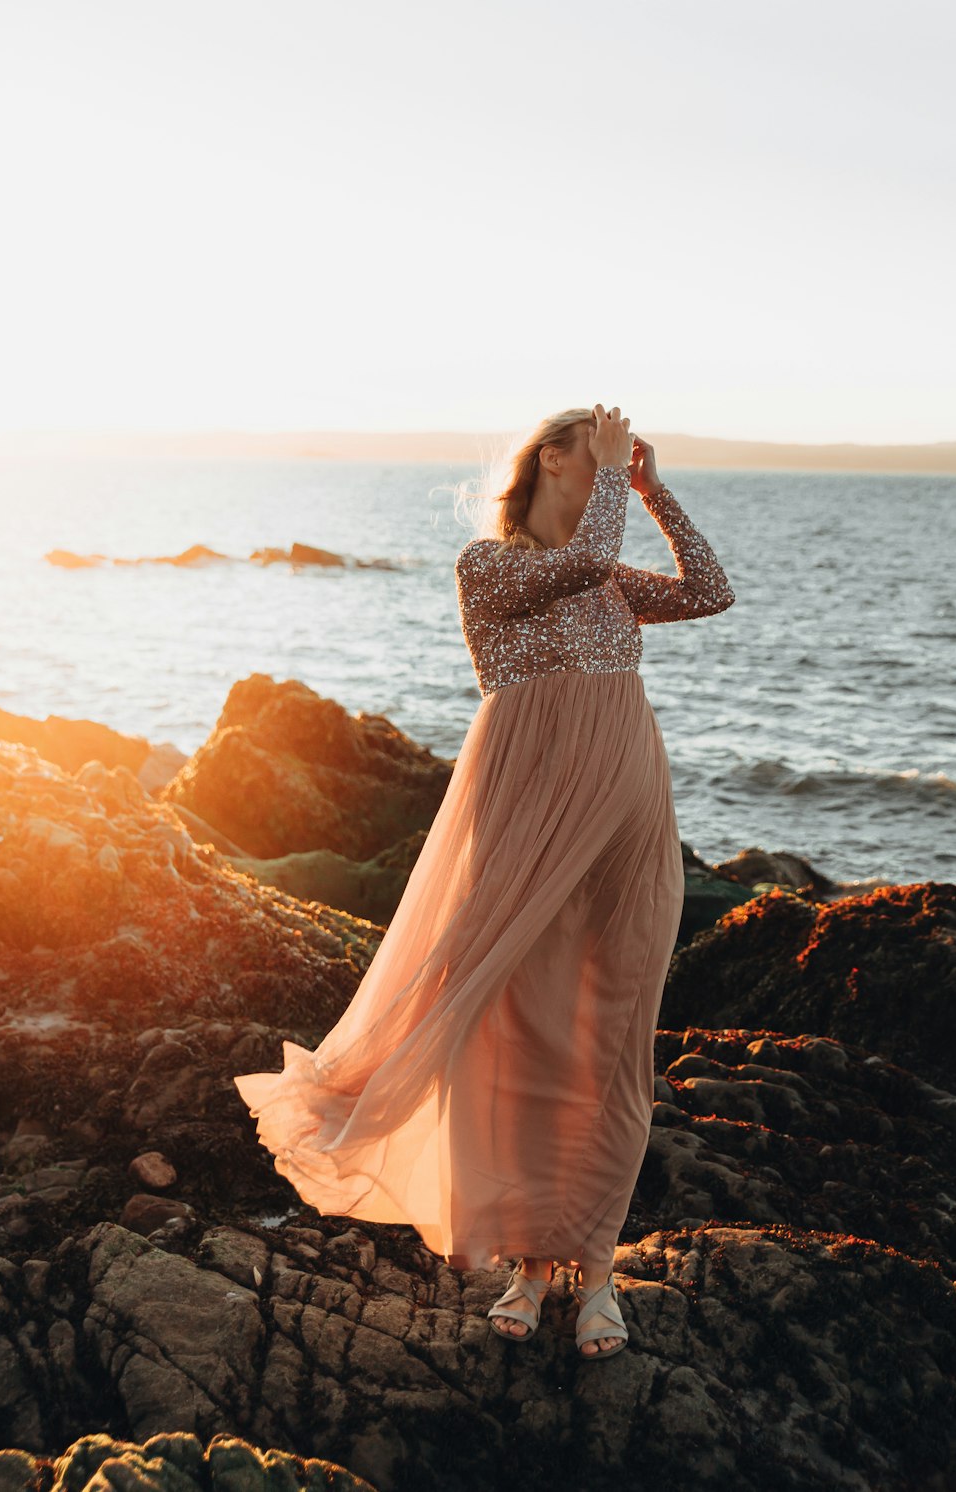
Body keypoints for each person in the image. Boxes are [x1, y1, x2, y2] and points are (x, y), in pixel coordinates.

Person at [233, 403, 735, 1361]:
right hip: (531, 815)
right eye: (601, 448)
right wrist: (614, 490)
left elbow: (710, 590)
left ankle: (598, 1273)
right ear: (553, 457)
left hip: (630, 812)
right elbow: (582, 561)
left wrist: (653, 489)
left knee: (616, 1041)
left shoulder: (609, 577)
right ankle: (531, 1265)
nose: (617, 462)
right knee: (525, 1029)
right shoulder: (493, 567)